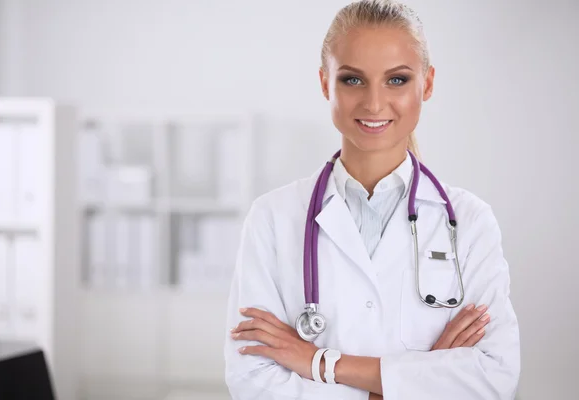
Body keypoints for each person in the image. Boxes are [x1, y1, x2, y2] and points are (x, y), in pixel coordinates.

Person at [223, 0, 521, 399]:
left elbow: (493, 375)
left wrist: (318, 362)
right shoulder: (272, 218)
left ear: (427, 84)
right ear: (325, 83)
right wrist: (406, 385)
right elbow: (252, 379)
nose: (375, 103)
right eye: (352, 80)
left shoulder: (469, 221)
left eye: (397, 80)